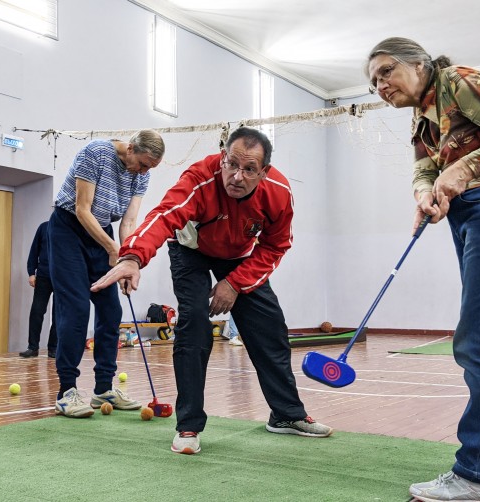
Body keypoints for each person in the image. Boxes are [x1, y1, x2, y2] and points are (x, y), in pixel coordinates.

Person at [366, 37, 480, 502]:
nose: (380, 84)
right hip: (475, 215)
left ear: (419, 64)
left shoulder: (457, 81)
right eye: (373, 81)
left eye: (386, 71)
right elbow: (423, 171)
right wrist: (423, 195)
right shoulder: (420, 120)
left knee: (478, 338)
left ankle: (478, 477)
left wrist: (461, 170)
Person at [91, 127, 332, 454]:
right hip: (189, 250)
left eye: (249, 169)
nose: (237, 176)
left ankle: (286, 415)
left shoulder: (278, 192)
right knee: (194, 325)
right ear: (221, 159)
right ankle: (188, 426)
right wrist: (133, 256)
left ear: (263, 173)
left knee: (270, 328)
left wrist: (234, 283)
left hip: (240, 256)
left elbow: (276, 245)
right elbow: (163, 216)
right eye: (231, 164)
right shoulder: (200, 179)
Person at [48, 130, 165, 418]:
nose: (143, 172)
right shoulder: (96, 152)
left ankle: (103, 389)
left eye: (150, 168)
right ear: (131, 148)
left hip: (103, 235)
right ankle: (66, 392)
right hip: (68, 229)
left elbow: (129, 222)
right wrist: (113, 248)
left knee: (111, 310)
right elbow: (82, 209)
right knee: (75, 309)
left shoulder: (142, 176)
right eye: (143, 164)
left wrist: (128, 259)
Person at [20, 221, 57, 359]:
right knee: (37, 311)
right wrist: (31, 272)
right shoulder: (44, 227)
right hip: (43, 276)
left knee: (58, 314)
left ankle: (53, 348)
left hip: (62, 278)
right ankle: (32, 347)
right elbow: (34, 250)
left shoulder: (71, 228)